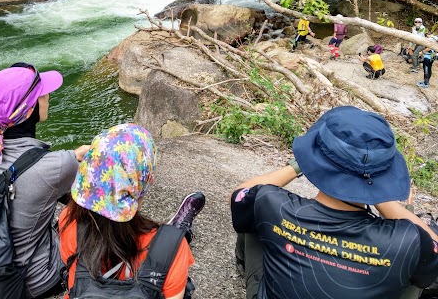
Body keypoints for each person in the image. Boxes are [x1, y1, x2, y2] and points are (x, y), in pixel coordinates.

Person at [231, 106, 438, 299]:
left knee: (251, 211)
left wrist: (297, 165)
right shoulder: (408, 240)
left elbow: (240, 193)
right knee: (416, 264)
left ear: (315, 160)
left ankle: (242, 262)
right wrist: (380, 197)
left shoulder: (271, 204)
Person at [0, 63, 90, 299]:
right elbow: (94, 195)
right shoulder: (58, 165)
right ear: (31, 108)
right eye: (42, 94)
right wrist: (74, 158)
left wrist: (69, 157)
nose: (47, 97)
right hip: (35, 281)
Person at [59, 123, 205, 299]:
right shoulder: (174, 250)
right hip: (165, 254)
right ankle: (179, 229)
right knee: (171, 244)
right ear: (145, 180)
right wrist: (170, 244)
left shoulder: (68, 220)